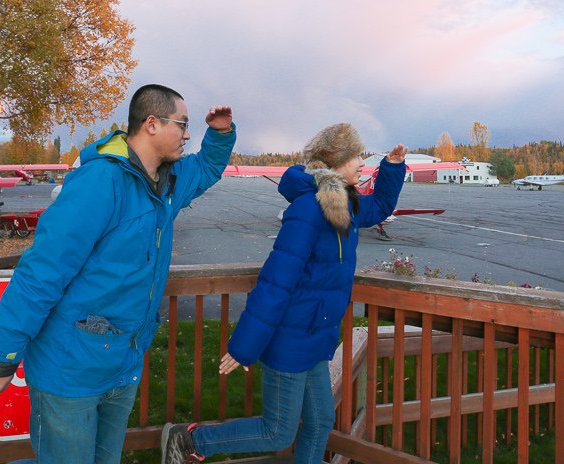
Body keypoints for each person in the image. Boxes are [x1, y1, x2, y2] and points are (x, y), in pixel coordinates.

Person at [0, 84, 236, 464]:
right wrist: (1, 358)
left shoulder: (166, 184)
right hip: (69, 366)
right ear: (152, 124)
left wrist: (221, 133)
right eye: (182, 124)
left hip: (121, 362)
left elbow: (206, 168)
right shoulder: (100, 183)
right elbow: (42, 271)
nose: (188, 134)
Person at [161, 123, 407, 464]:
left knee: (320, 421)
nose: (362, 162)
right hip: (290, 338)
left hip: (315, 336)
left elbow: (379, 205)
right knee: (277, 430)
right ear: (335, 163)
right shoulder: (309, 210)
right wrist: (245, 346)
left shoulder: (345, 205)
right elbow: (277, 280)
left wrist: (392, 168)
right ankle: (192, 441)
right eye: (355, 156)